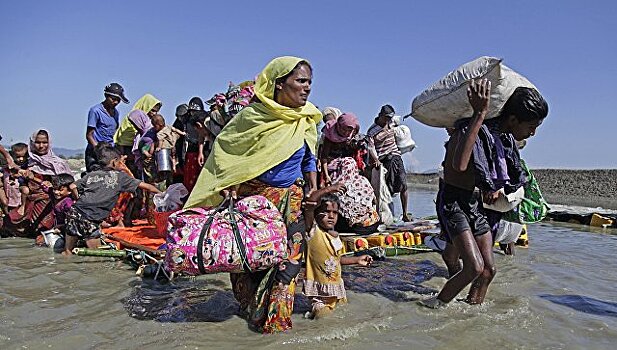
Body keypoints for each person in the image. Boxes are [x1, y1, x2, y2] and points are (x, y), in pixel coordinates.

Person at [185, 56, 321, 333]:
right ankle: (251, 316)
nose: (307, 88)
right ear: (279, 84)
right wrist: (230, 184)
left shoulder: (306, 118)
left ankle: (276, 325)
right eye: (301, 81)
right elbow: (227, 150)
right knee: (251, 262)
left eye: (310, 82)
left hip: (291, 201)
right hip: (254, 203)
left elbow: (309, 159)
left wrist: (314, 190)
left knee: (289, 264)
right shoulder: (252, 117)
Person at [422, 80, 549, 308]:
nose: (534, 132)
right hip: (454, 203)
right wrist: (479, 113)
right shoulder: (469, 130)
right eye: (531, 125)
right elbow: (460, 165)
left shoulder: (501, 138)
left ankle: (471, 313)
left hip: (473, 203)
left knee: (488, 270)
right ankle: (432, 307)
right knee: (474, 268)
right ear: (513, 120)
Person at [63, 144, 161, 255]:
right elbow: (147, 186)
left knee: (67, 252)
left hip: (74, 213)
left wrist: (78, 199)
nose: (122, 164)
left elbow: (72, 187)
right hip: (90, 219)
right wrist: (162, 194)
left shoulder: (91, 175)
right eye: (120, 162)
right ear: (114, 162)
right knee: (96, 257)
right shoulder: (120, 177)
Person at [303, 184, 372, 319]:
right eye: (326, 211)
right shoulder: (313, 232)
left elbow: (337, 259)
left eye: (335, 213)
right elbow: (309, 204)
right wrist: (327, 190)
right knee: (324, 319)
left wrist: (357, 260)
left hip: (338, 290)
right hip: (320, 296)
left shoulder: (336, 237)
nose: (331, 216)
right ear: (317, 214)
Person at [319, 112, 380, 234]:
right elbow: (323, 157)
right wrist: (326, 176)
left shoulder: (353, 138)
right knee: (348, 164)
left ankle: (365, 217)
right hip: (334, 170)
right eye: (346, 129)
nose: (347, 133)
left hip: (350, 173)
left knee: (365, 187)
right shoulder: (330, 137)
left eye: (350, 130)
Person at [8, 130, 72, 236]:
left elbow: (68, 183)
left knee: (44, 231)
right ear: (32, 143)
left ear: (49, 142)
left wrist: (52, 184)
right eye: (37, 142)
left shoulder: (58, 163)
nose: (41, 146)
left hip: (50, 203)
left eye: (45, 142)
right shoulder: (27, 162)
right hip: (30, 201)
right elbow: (20, 181)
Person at [366, 104, 411, 222]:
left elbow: (401, 121)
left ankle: (405, 214)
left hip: (395, 156)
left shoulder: (392, 123)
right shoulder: (372, 130)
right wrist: (375, 159)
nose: (388, 120)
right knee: (385, 189)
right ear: (380, 115)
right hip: (382, 160)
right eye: (386, 118)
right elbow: (370, 148)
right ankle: (383, 215)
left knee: (403, 184)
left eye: (390, 118)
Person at [113, 94, 162, 175]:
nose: (154, 113)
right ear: (146, 107)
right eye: (152, 110)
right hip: (127, 154)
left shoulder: (148, 124)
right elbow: (121, 142)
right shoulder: (133, 118)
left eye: (156, 111)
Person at [85, 83, 129, 171]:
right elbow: (89, 135)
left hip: (109, 152)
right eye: (113, 99)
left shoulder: (116, 113)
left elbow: (115, 132)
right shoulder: (95, 111)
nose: (116, 102)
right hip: (95, 152)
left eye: (118, 100)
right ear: (106, 96)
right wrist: (98, 150)